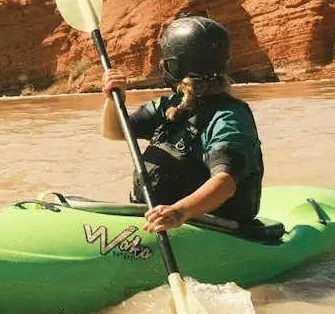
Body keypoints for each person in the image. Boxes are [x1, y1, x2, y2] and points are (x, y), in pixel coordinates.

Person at [99, 14, 264, 234]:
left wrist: (179, 212)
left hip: (213, 229)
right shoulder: (167, 105)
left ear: (175, 67)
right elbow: (116, 133)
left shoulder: (229, 117)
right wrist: (112, 100)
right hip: (160, 218)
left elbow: (225, 183)